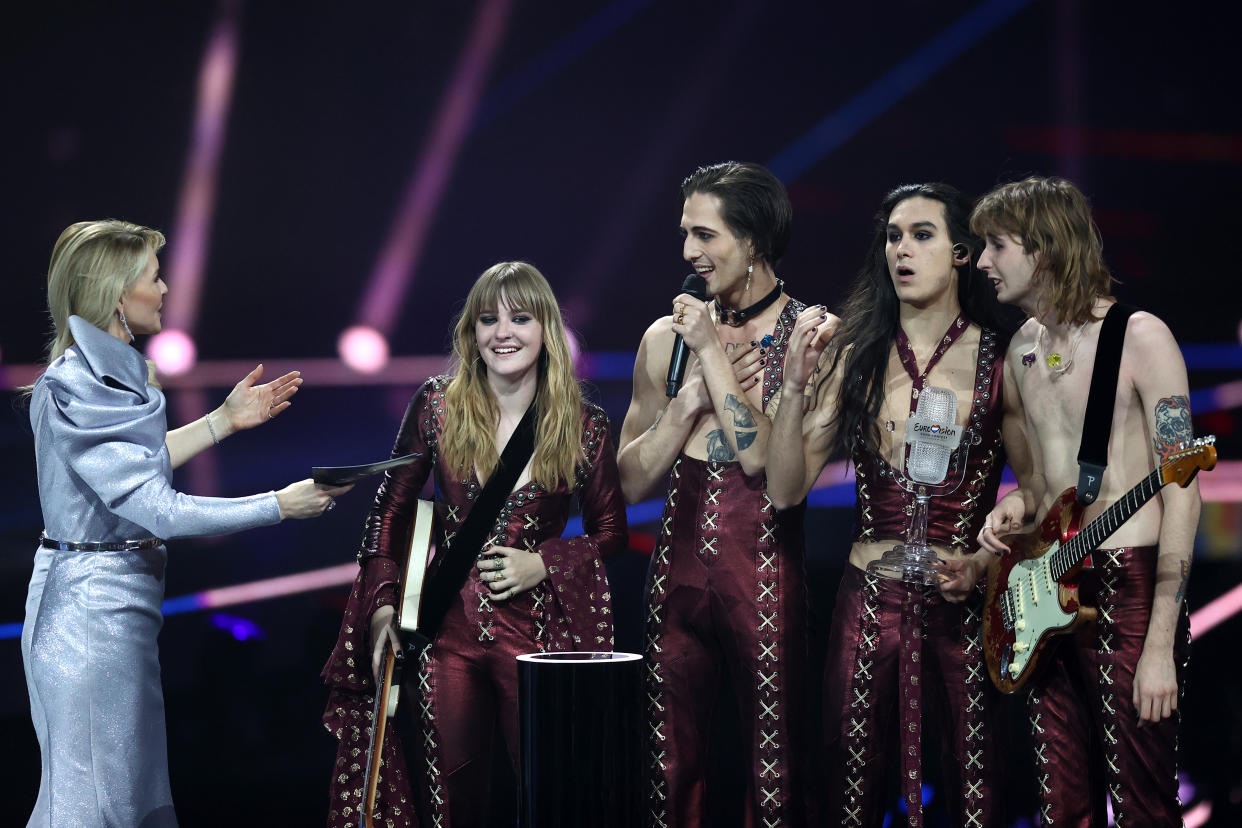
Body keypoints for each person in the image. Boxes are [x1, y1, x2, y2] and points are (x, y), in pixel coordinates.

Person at [21, 219, 348, 828]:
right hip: (92, 619)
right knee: (96, 808)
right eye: (153, 277)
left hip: (114, 609)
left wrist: (222, 421)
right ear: (118, 295)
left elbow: (131, 468)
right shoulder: (77, 385)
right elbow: (157, 508)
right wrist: (280, 504)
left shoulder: (106, 376)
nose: (166, 289)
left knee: (122, 801)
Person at [322, 261, 627, 828]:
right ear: (471, 331)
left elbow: (612, 532)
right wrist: (384, 604)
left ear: (546, 331)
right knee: (452, 800)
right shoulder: (437, 404)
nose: (502, 332)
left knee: (549, 793)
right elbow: (392, 507)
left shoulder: (584, 424)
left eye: (519, 318)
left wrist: (546, 561)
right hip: (446, 633)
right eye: (488, 319)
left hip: (539, 641)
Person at [767, 183, 1029, 828]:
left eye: (921, 235)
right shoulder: (856, 354)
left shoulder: (1006, 357)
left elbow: (1045, 489)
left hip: (962, 603)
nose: (901, 251)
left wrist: (994, 546)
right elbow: (784, 489)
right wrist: (796, 383)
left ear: (963, 252)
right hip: (869, 602)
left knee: (978, 794)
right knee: (848, 791)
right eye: (891, 236)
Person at [940, 176, 1198, 827]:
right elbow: (1043, 490)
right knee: (1061, 806)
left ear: (1047, 247)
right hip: (1047, 593)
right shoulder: (1023, 349)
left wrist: (1161, 642)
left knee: (1143, 804)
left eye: (997, 244)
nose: (984, 261)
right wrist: (1010, 512)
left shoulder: (1141, 337)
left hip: (1128, 585)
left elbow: (1183, 492)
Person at [616, 161, 810, 828]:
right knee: (671, 763)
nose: (688, 253)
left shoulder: (811, 337)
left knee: (774, 763)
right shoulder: (665, 339)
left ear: (752, 239)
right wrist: (685, 404)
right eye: (684, 235)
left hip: (764, 571)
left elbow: (766, 469)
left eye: (705, 235)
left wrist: (713, 359)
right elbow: (629, 481)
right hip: (675, 576)